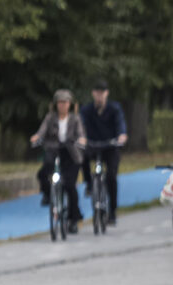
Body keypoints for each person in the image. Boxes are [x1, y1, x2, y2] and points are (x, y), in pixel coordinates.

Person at [30, 90, 86, 233]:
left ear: (70, 104)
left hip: (71, 154)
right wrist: (37, 137)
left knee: (70, 186)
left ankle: (73, 219)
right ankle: (48, 195)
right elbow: (41, 131)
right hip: (54, 151)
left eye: (65, 102)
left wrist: (81, 140)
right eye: (60, 103)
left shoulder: (75, 119)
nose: (62, 105)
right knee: (43, 173)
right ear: (56, 105)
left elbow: (81, 134)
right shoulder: (50, 118)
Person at [80, 79, 128, 224]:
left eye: (102, 93)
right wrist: (82, 138)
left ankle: (112, 211)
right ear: (93, 94)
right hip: (93, 145)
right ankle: (89, 184)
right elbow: (81, 127)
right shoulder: (86, 110)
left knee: (111, 177)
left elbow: (120, 124)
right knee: (82, 156)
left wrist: (121, 136)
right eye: (97, 93)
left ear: (106, 94)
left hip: (110, 147)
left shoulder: (114, 109)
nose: (99, 96)